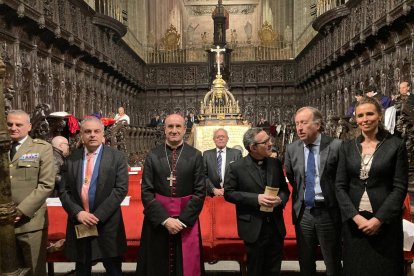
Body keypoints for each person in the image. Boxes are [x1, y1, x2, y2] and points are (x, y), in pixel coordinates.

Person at [336, 96, 408, 275]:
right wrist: (356, 217)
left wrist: (379, 219)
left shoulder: (395, 145)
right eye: (360, 115)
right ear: (355, 119)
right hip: (355, 224)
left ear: (380, 116)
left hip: (385, 223)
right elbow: (340, 186)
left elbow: (399, 187)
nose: (365, 119)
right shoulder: (347, 147)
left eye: (370, 114)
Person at [136, 114, 205, 275]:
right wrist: (165, 220)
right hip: (158, 222)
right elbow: (146, 191)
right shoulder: (153, 155)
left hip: (186, 222)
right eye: (170, 127)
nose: (174, 130)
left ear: (185, 129)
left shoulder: (195, 155)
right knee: (156, 265)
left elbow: (200, 192)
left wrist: (182, 221)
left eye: (178, 126)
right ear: (164, 129)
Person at [59, 117, 128, 276]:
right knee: (82, 269)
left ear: (103, 134)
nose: (92, 135)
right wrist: (78, 213)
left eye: (96, 131)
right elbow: (64, 191)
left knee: (113, 269)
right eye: (87, 131)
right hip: (80, 223)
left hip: (107, 223)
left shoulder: (116, 157)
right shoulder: (72, 159)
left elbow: (120, 189)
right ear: (81, 135)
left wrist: (98, 215)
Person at [284, 106, 343, 276]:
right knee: (305, 262)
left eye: (304, 122)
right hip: (304, 212)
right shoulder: (292, 149)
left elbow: (342, 179)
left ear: (317, 125)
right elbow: (291, 176)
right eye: (297, 124)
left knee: (332, 261)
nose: (299, 128)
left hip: (328, 211)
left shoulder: (336, 146)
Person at [224, 128, 290, 276]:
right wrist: (256, 199)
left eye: (269, 139)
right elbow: (229, 194)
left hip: (275, 226)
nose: (270, 144)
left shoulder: (275, 163)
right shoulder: (236, 167)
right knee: (255, 270)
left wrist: (280, 199)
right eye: (265, 142)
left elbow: (285, 190)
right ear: (253, 147)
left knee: (274, 270)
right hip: (253, 228)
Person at [7, 110, 55, 276]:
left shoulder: (43, 148)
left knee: (34, 271)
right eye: (10, 124)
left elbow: (46, 184)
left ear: (29, 126)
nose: (13, 128)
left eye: (18, 124)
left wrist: (21, 210)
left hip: (30, 222)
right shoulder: (2, 148)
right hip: (3, 223)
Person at [203, 128, 242, 197]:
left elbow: (240, 175)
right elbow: (203, 175)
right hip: (212, 195)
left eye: (223, 137)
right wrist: (213, 189)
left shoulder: (236, 154)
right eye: (218, 137)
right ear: (214, 139)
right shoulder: (206, 154)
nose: (221, 139)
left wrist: (227, 189)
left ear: (227, 139)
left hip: (231, 194)